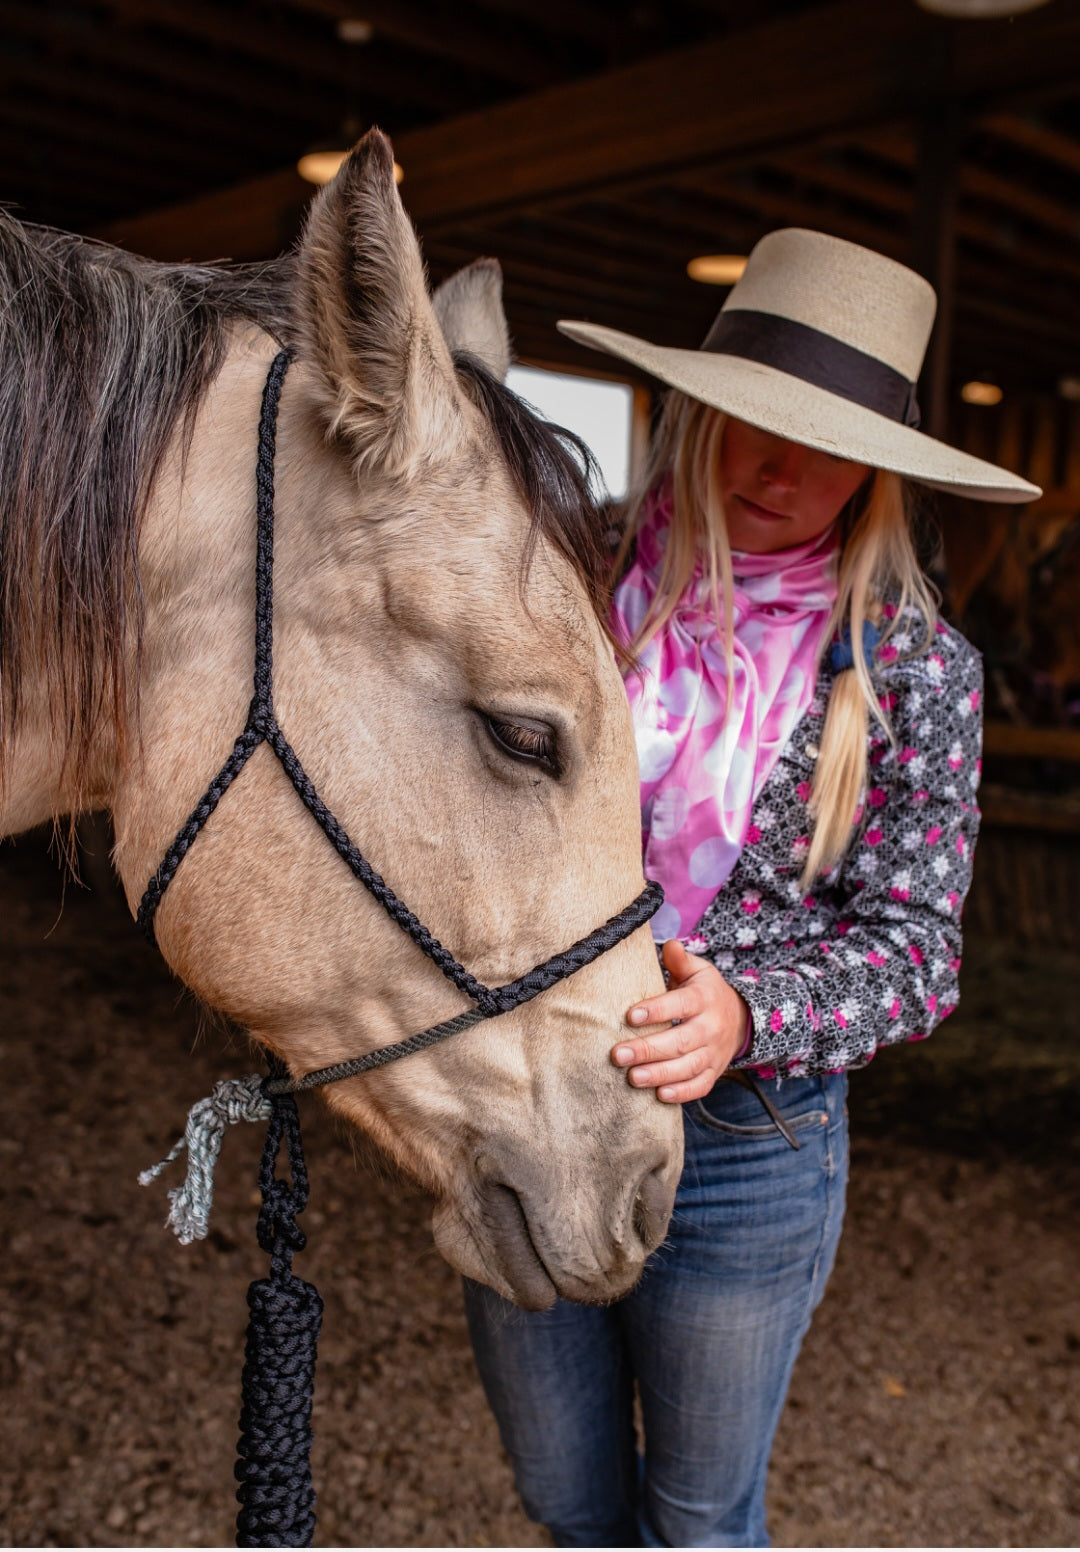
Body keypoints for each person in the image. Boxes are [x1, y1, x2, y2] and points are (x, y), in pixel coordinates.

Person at [463, 228, 1039, 1548]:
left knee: (698, 1516)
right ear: (699, 414)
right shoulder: (577, 581)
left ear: (882, 469)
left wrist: (746, 1012)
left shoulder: (910, 669)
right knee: (564, 1500)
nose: (785, 470)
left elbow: (914, 951)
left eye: (832, 441)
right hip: (533, 1091)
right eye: (755, 424)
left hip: (749, 1143)